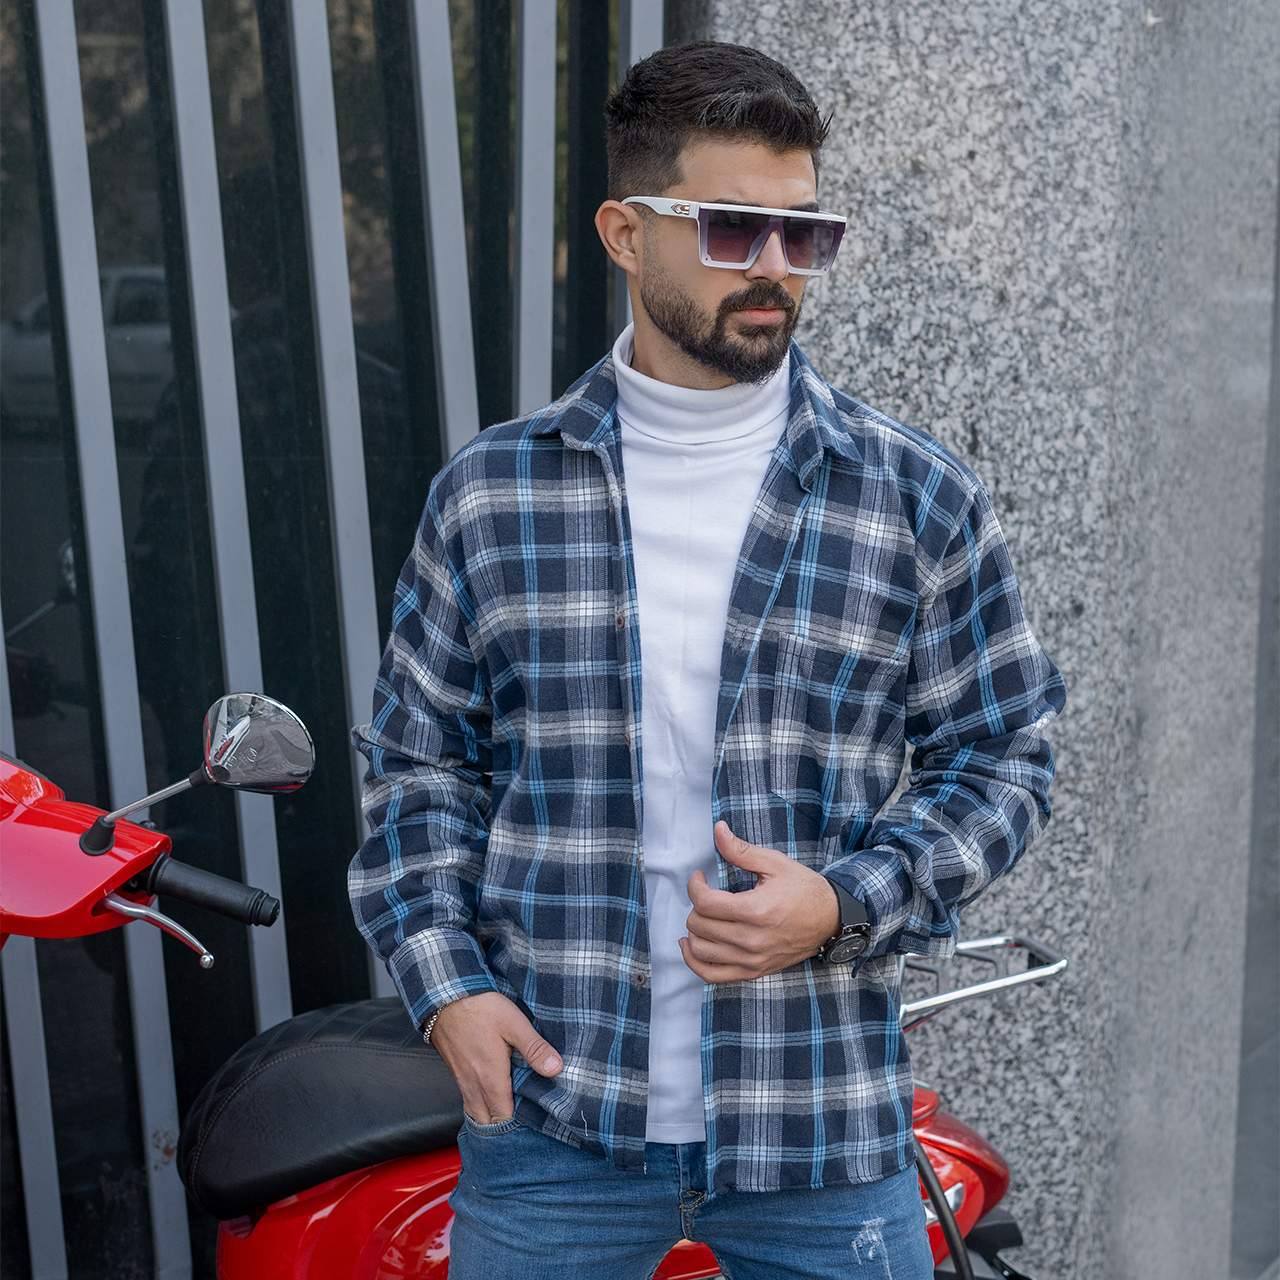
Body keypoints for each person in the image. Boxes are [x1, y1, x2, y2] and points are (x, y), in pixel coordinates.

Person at [349, 40, 1065, 1280]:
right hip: (555, 1124)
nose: (775, 267)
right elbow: (418, 766)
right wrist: (444, 985)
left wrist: (843, 900)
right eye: (734, 229)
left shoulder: (912, 495)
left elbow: (1004, 752)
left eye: (806, 233)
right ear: (625, 234)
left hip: (820, 1125)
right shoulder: (492, 494)